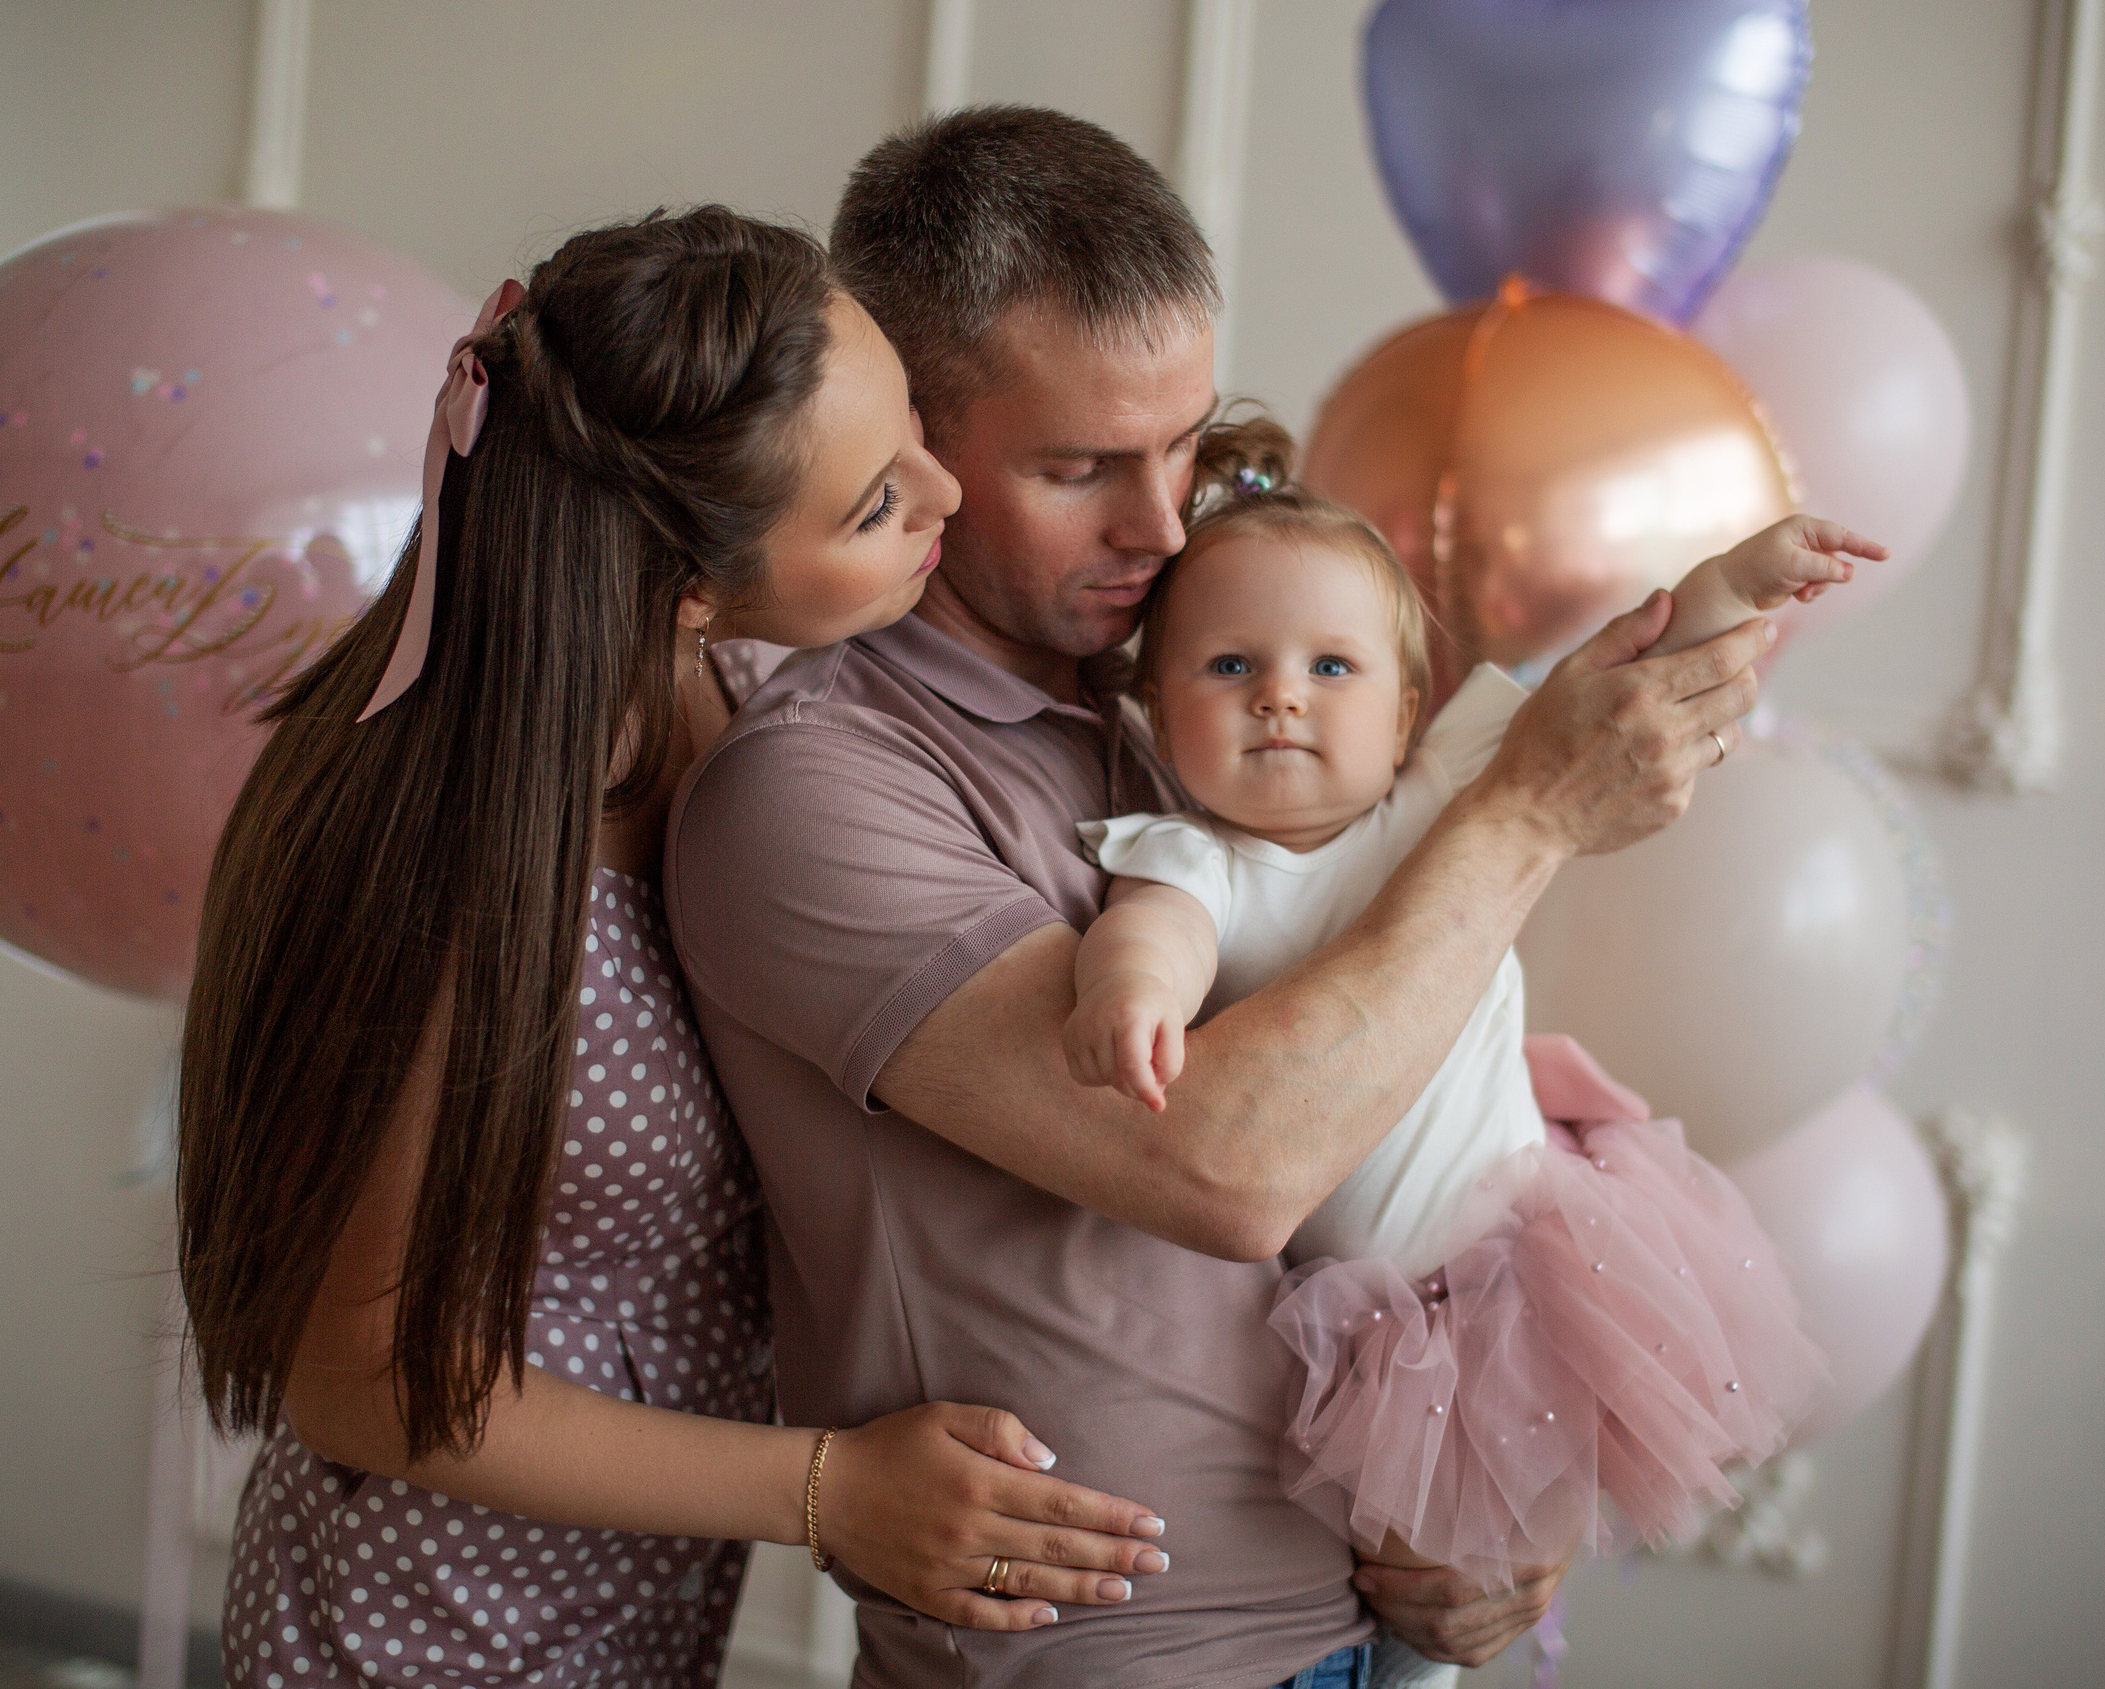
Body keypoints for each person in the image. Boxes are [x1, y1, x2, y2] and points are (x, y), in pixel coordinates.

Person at [663, 108, 1775, 1687]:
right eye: (1078, 466)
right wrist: (1526, 810)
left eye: (1181, 445)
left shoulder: (1173, 721)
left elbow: (1401, 1100)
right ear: (908, 438)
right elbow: (1231, 1165)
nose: (1165, 523)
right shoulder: (821, 780)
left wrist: (1495, 1515)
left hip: (1351, 1619)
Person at [176, 208, 1171, 1689]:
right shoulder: (432, 859)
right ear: (684, 577)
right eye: (875, 504)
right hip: (426, 1634)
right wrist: (827, 1485)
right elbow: (357, 1382)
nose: (946, 491)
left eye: (912, 430)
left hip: (647, 1616)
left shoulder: (745, 685)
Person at [1063, 422, 1861, 1682]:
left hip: (1524, 1254)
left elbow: (1619, 674)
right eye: (1229, 665)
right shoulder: (1192, 860)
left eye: (1331, 665)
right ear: (1155, 712)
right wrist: (1130, 1003)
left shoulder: (1445, 796)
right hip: (1363, 1312)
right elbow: (1147, 941)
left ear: (1408, 711)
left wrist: (1736, 584)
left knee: (1476, 1560)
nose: (1281, 693)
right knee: (1390, 1563)